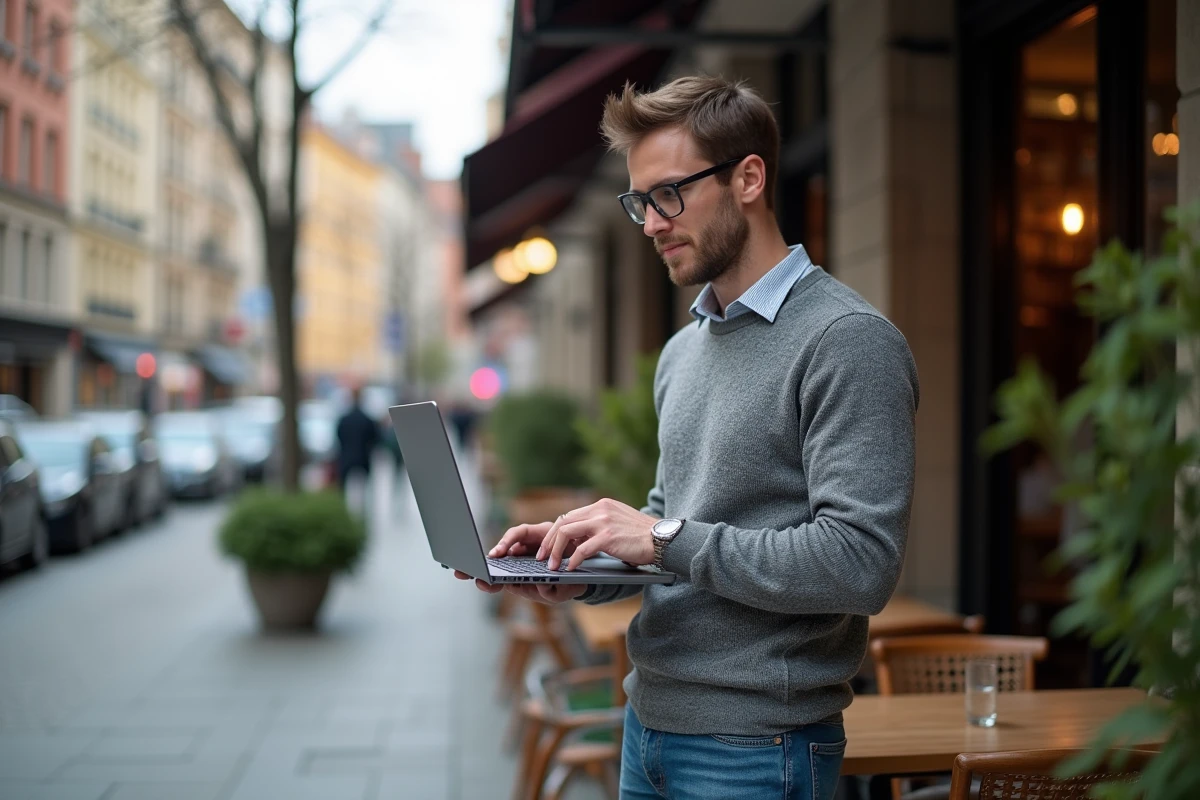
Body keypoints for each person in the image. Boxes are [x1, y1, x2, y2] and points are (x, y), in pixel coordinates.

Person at [459, 76, 919, 800]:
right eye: (640, 201)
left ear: (748, 178)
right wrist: (580, 566)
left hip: (760, 746)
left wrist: (662, 537)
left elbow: (861, 564)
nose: (650, 223)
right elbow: (673, 526)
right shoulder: (685, 350)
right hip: (646, 724)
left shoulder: (847, 342)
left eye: (668, 194)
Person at [335, 387, 380, 500]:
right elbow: (375, 438)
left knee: (343, 490)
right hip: (363, 457)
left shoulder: (344, 419)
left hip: (346, 457)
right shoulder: (367, 419)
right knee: (365, 490)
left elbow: (338, 436)